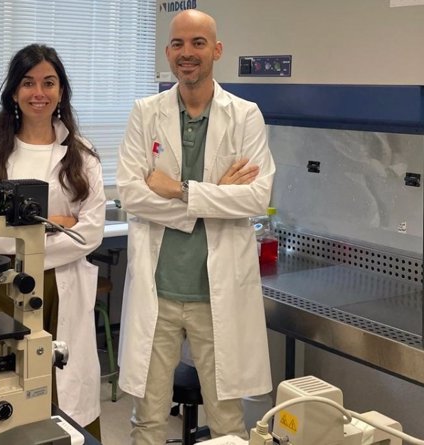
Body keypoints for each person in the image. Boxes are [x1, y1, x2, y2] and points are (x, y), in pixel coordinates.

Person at [116, 9, 276, 444]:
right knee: (147, 418)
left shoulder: (244, 116)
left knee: (227, 421)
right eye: (178, 44)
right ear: (168, 52)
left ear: (217, 50)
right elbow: (130, 193)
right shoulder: (144, 112)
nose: (187, 53)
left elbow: (256, 197)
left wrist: (178, 189)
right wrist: (211, 196)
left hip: (215, 294)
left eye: (198, 43)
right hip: (159, 290)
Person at [0, 43, 106, 439]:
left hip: (60, 291)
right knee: (1, 392)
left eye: (48, 82)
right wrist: (54, 224)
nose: (38, 92)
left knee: (62, 389)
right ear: (13, 91)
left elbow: (90, 233)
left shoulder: (82, 155)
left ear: (61, 91)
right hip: (3, 289)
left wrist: (20, 235)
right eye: (28, 83)